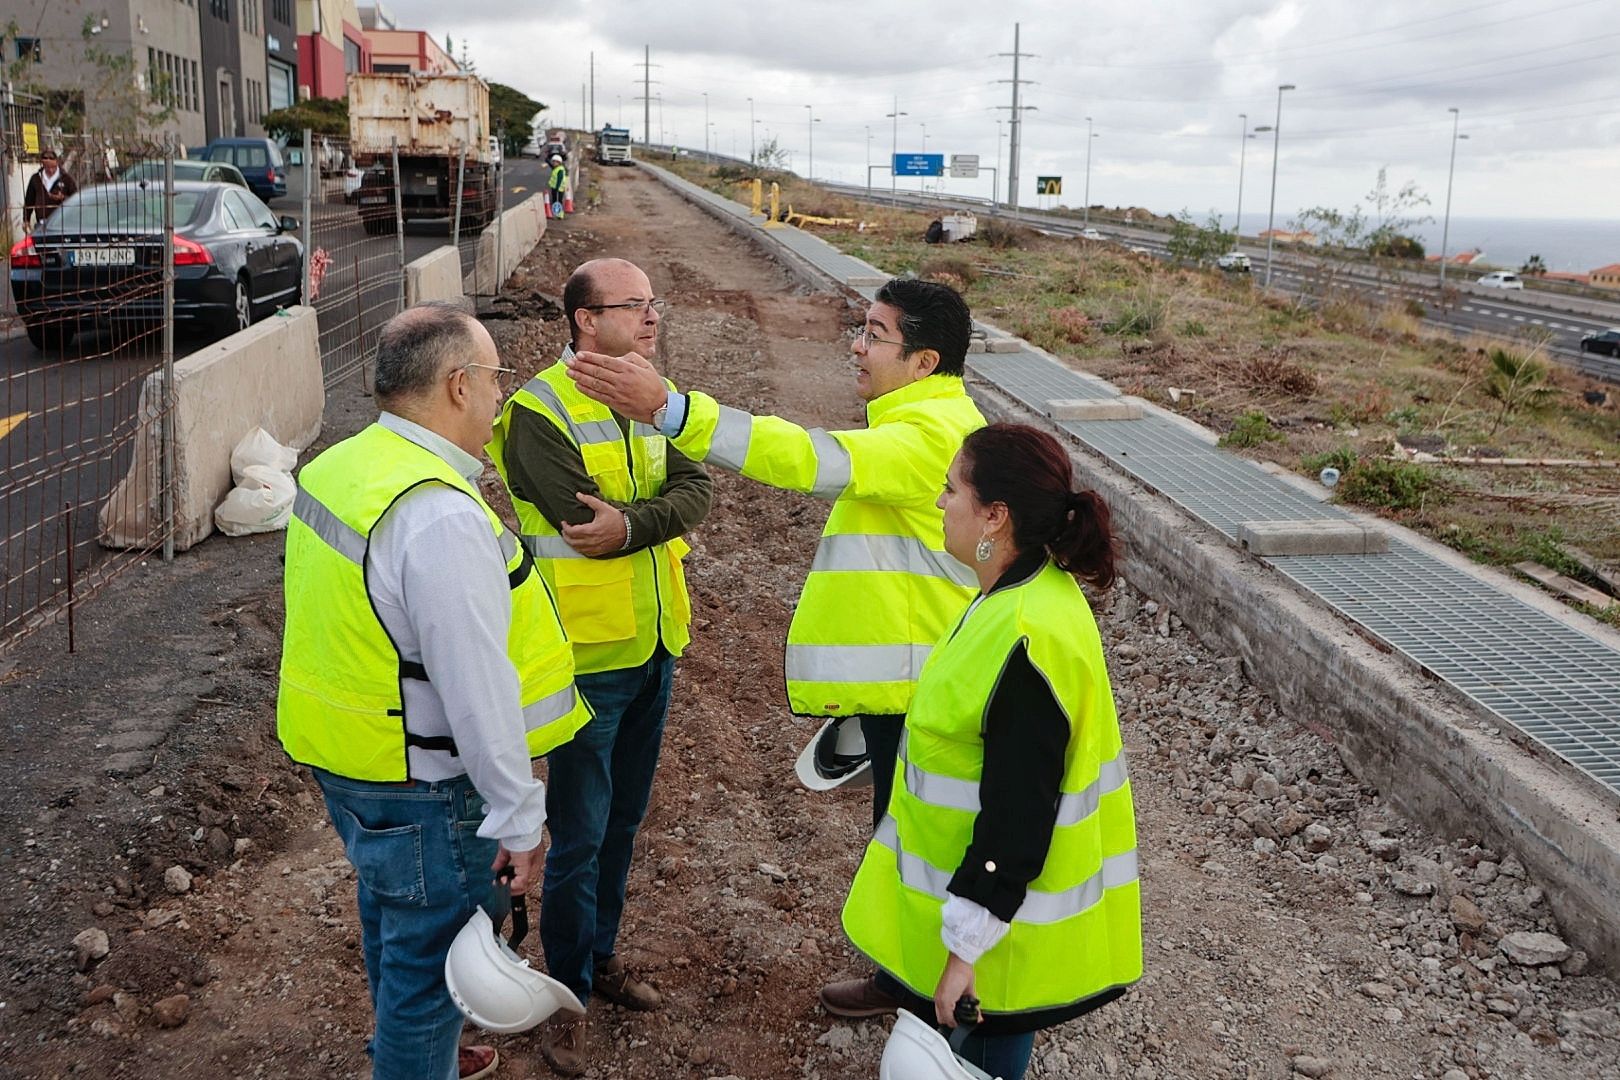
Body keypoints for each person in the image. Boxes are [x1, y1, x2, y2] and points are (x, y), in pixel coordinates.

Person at [277, 303, 594, 1080]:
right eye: (493, 381)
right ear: (458, 385)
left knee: (394, 924)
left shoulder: (343, 465)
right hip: (429, 791)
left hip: (353, 765)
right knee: (430, 973)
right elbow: (476, 687)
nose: (499, 399)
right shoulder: (439, 516)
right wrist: (520, 815)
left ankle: (413, 1047)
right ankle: (416, 1055)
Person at [563, 278, 985, 851]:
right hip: (912, 686)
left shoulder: (931, 436)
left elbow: (808, 458)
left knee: (913, 854)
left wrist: (671, 410)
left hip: (921, 691)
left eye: (874, 335)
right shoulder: (935, 422)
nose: (856, 346)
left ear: (923, 362)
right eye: (861, 331)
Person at [839, 423, 1143, 1080]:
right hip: (989, 919)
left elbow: (1018, 814)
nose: (940, 502)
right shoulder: (1020, 593)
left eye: (952, 490)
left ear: (996, 516)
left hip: (995, 930)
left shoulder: (1027, 633)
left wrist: (963, 952)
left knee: (979, 1056)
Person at [487, 258, 712, 1077]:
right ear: (585, 320)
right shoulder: (536, 413)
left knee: (623, 822)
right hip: (585, 663)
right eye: (635, 306)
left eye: (656, 303)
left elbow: (696, 486)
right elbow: (583, 520)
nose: (653, 318)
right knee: (578, 837)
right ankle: (567, 994)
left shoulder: (653, 394)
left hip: (656, 646)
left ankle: (602, 957)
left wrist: (637, 524)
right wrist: (631, 522)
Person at [23, 148, 77, 230]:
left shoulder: (66, 179)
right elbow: (29, 201)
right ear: (42, 164)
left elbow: (76, 199)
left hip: (62, 223)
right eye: (47, 168)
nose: (51, 170)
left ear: (57, 162)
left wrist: (63, 198)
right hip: (42, 224)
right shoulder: (36, 179)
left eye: (53, 167)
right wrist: (26, 220)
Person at [548, 154, 568, 218]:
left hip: (558, 189)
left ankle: (559, 214)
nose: (554, 163)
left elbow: (559, 179)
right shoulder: (556, 168)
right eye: (553, 161)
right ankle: (556, 213)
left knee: (558, 201)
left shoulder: (560, 170)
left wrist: (557, 187)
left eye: (555, 162)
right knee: (555, 201)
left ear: (559, 162)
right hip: (554, 188)